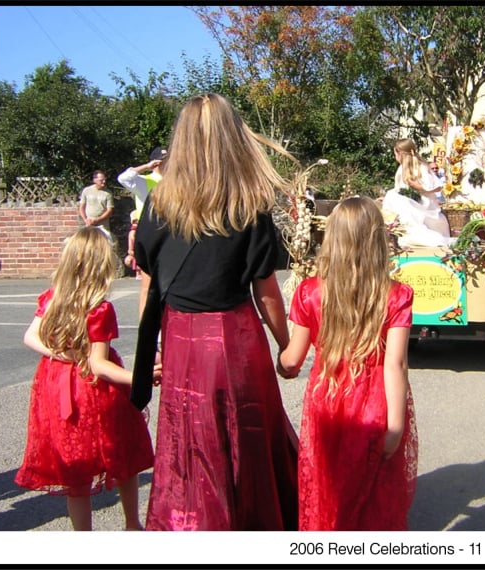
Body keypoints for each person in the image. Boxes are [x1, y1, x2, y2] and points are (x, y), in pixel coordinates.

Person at [133, 93, 298, 531]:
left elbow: (149, 284)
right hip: (237, 339)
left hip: (181, 340)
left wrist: (150, 350)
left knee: (189, 446)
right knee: (246, 442)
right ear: (232, 137)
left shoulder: (159, 203)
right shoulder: (250, 203)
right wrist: (287, 346)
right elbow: (267, 295)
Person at [277, 196, 418, 530]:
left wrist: (281, 364)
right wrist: (395, 426)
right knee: (374, 491)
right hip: (375, 405)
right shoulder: (396, 295)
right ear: (377, 240)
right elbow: (395, 364)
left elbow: (293, 359)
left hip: (325, 403)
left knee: (328, 485)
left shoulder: (309, 292)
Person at [14, 226, 156, 531]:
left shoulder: (52, 298)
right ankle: (132, 524)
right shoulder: (99, 309)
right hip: (93, 389)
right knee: (121, 454)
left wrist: (58, 354)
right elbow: (99, 365)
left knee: (75, 466)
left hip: (55, 385)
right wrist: (138, 377)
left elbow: (30, 336)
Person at [118, 148, 167, 316]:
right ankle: (146, 327)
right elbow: (123, 178)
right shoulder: (145, 181)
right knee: (148, 284)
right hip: (150, 234)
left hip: (169, 233)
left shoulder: (175, 181)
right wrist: (146, 166)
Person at [381, 138, 451, 247]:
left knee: (392, 196)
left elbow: (437, 187)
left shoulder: (421, 166)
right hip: (409, 203)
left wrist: (418, 187)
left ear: (399, 153)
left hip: (423, 205)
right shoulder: (401, 169)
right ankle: (393, 233)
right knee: (391, 196)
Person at [78, 170, 114, 241]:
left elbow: (109, 210)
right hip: (89, 223)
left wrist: (98, 220)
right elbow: (82, 207)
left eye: (105, 179)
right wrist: (86, 220)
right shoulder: (87, 191)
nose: (104, 182)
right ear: (94, 180)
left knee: (104, 242)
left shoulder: (108, 193)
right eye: (101, 180)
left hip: (103, 225)